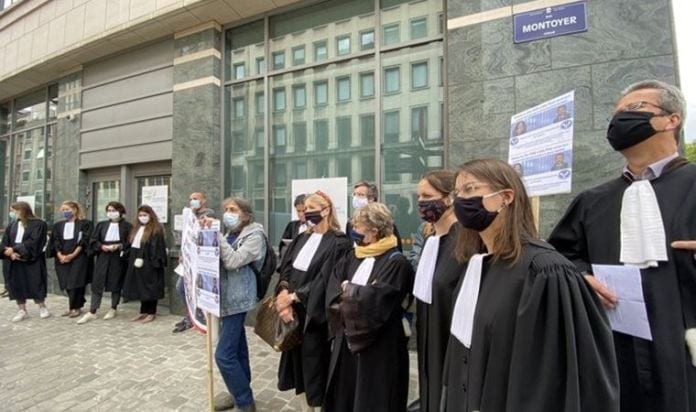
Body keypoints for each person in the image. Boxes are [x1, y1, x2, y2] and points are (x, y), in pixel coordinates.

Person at [548, 80, 696, 412]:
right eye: (616, 113)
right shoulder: (592, 201)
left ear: (671, 119)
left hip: (684, 357)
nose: (620, 119)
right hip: (615, 356)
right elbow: (559, 257)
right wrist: (581, 278)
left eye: (634, 109)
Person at [442, 159, 619, 412]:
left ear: (506, 197)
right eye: (457, 193)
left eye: (470, 189)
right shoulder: (478, 265)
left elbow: (549, 376)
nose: (461, 200)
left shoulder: (545, 271)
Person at [324, 202, 414, 411]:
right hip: (346, 344)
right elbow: (334, 287)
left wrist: (350, 289)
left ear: (374, 231)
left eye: (358, 227)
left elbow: (376, 301)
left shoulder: (396, 262)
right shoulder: (352, 255)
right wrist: (355, 293)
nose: (353, 231)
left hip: (379, 348)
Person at [274, 192, 352, 411]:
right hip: (292, 312)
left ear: (326, 210)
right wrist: (283, 295)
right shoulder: (301, 238)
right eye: (304, 209)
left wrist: (294, 297)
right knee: (297, 365)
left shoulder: (339, 242)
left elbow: (326, 279)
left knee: (315, 365)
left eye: (310, 208)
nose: (306, 212)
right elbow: (286, 268)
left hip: (314, 315)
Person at [409, 171, 466, 412]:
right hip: (428, 334)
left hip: (450, 339)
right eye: (419, 196)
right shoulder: (431, 239)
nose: (421, 202)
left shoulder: (464, 241)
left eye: (427, 195)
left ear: (449, 198)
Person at [203, 198, 264, 412]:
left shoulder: (255, 236)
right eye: (226, 209)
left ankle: (244, 401)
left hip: (238, 299)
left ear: (246, 214)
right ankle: (239, 392)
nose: (228, 213)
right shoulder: (231, 233)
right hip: (224, 298)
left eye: (233, 209)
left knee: (223, 355)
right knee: (238, 350)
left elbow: (233, 261)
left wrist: (216, 235)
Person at [78, 202, 132, 324]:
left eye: (114, 210)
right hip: (103, 256)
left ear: (120, 211)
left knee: (116, 283)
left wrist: (119, 246)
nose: (111, 213)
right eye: (109, 210)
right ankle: (92, 311)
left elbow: (130, 242)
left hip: (118, 258)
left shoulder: (127, 226)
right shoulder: (101, 225)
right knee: (98, 283)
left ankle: (113, 308)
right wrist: (101, 246)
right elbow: (93, 240)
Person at [1, 202, 50, 321]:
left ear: (22, 210)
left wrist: (16, 249)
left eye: (14, 210)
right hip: (14, 260)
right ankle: (22, 309)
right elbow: (5, 242)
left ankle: (42, 307)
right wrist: (10, 253)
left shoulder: (39, 224)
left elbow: (35, 241)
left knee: (36, 282)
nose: (12, 213)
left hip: (32, 259)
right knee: (17, 284)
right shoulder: (12, 225)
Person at [122, 205, 167, 323]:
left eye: (145, 215)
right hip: (136, 261)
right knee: (141, 287)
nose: (142, 217)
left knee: (150, 288)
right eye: (140, 215)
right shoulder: (136, 229)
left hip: (149, 263)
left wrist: (153, 263)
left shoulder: (156, 229)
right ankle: (143, 311)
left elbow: (157, 248)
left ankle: (151, 312)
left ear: (150, 216)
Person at [48, 201, 93, 318]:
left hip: (78, 257)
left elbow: (84, 241)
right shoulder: (58, 225)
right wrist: (60, 255)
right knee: (66, 283)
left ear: (75, 209)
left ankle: (76, 307)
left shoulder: (85, 224)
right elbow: (55, 241)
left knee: (76, 283)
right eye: (63, 210)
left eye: (67, 209)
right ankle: (72, 306)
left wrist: (72, 255)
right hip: (62, 258)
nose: (65, 212)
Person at [173, 192, 209, 333]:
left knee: (184, 288)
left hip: (199, 261)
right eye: (190, 199)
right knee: (182, 288)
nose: (192, 201)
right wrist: (182, 253)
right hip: (188, 260)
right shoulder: (190, 215)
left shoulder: (207, 215)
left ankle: (195, 316)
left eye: (195, 199)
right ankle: (191, 316)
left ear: (204, 200)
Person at [347, 181, 402, 251]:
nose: (356, 198)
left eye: (360, 195)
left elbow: (396, 248)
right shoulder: (350, 223)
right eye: (354, 194)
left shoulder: (384, 221)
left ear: (371, 199)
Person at [278, 194, 307, 259]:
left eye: (304, 211)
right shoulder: (292, 225)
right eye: (298, 211)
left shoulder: (316, 228)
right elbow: (282, 245)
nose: (301, 214)